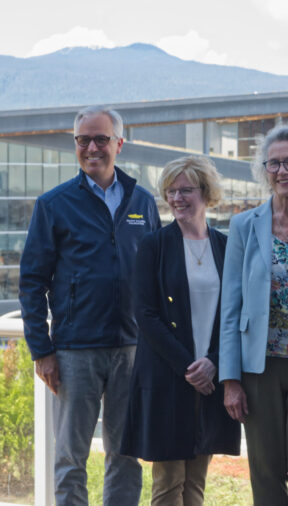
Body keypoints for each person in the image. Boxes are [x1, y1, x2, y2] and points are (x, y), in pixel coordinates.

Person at [18, 105, 160, 504]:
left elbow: (155, 276)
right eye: (83, 140)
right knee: (70, 457)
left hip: (131, 350)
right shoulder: (54, 204)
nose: (92, 147)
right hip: (73, 351)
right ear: (75, 145)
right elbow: (31, 283)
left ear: (119, 143)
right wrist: (42, 351)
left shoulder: (142, 202)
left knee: (126, 454)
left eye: (101, 139)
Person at [219, 126, 288, 506]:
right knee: (265, 473)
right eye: (274, 163)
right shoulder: (244, 226)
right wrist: (231, 379)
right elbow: (230, 306)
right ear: (265, 171)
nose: (282, 171)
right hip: (259, 366)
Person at [120, 156, 240, 505]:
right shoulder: (154, 245)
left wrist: (214, 363)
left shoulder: (225, 246)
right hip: (168, 375)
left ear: (206, 192)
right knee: (169, 482)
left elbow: (234, 313)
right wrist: (191, 368)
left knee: (196, 483)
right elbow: (145, 314)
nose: (176, 199)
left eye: (185, 190)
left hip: (211, 377)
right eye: (170, 191)